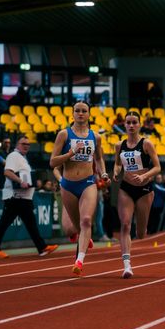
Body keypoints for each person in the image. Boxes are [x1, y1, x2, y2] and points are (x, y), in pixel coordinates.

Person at [50, 100, 109, 275]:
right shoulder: (64, 135)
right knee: (74, 227)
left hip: (88, 183)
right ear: (73, 113)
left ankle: (79, 261)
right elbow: (52, 162)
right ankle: (86, 236)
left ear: (89, 114)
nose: (81, 113)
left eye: (84, 111)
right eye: (77, 110)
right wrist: (71, 153)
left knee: (85, 221)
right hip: (68, 185)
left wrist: (103, 173)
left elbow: (99, 158)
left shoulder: (95, 137)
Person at [0, 135, 59, 258]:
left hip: (23, 197)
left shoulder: (22, 158)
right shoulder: (13, 156)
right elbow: (7, 172)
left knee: (29, 224)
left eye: (28, 144)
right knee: (6, 223)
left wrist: (34, 183)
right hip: (15, 197)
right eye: (23, 144)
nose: (26, 146)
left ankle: (41, 247)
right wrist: (21, 182)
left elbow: (25, 176)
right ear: (17, 145)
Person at [112, 111, 161, 278]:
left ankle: (142, 228)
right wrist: (116, 172)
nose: (131, 125)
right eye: (128, 123)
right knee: (125, 224)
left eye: (134, 122)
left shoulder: (147, 144)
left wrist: (144, 176)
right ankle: (127, 265)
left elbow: (157, 167)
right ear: (124, 125)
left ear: (139, 125)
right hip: (126, 187)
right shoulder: (119, 145)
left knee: (140, 233)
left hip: (144, 189)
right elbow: (118, 164)